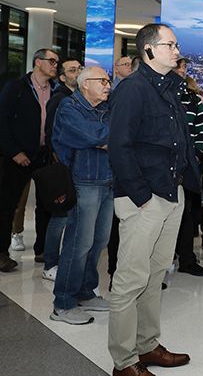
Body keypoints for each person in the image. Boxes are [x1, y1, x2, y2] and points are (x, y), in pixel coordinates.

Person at [107, 24, 200, 376]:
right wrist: (142, 196)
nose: (177, 50)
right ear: (148, 50)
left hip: (171, 192)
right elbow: (119, 147)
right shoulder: (133, 89)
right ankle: (124, 361)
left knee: (156, 273)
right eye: (170, 45)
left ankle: (146, 345)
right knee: (130, 280)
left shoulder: (170, 87)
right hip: (144, 198)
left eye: (176, 45)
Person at [50, 66, 114, 324]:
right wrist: (104, 138)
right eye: (103, 81)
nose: (108, 85)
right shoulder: (69, 107)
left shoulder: (105, 108)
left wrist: (104, 139)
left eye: (109, 81)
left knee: (99, 241)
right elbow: (93, 134)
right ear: (85, 83)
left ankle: (86, 292)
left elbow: (110, 137)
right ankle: (63, 303)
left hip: (108, 182)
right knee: (79, 243)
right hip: (83, 182)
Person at [0, 48, 58, 272]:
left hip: (44, 156)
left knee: (46, 206)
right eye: (51, 61)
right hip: (18, 157)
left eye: (56, 62)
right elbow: (2, 121)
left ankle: (43, 251)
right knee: (8, 205)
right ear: (38, 62)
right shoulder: (17, 87)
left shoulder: (56, 90)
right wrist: (14, 151)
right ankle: (2, 253)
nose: (55, 65)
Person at [41, 58, 83, 281]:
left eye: (80, 69)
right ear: (63, 77)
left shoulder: (79, 98)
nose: (78, 72)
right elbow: (52, 135)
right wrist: (63, 166)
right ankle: (50, 264)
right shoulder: (60, 99)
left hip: (77, 168)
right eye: (72, 70)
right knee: (60, 217)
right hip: (65, 168)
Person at [171, 56, 203, 278]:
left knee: (187, 213)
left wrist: (195, 155)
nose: (182, 70)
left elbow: (201, 131)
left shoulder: (193, 98)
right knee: (164, 214)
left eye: (184, 67)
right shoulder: (161, 95)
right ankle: (162, 262)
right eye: (178, 66)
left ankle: (186, 259)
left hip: (189, 165)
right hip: (165, 166)